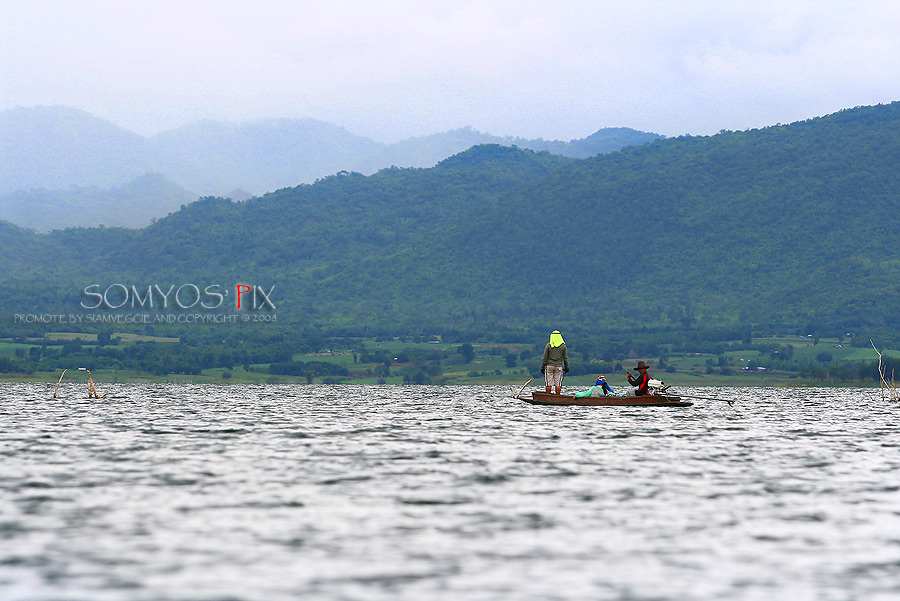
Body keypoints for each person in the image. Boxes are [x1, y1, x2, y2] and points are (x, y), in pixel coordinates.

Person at [541, 330, 569, 395]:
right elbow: (565, 358)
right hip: (559, 366)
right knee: (558, 383)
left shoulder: (548, 345)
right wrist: (566, 367)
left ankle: (548, 396)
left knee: (548, 382)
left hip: (549, 366)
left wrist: (542, 367)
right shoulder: (563, 346)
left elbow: (545, 357)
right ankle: (557, 396)